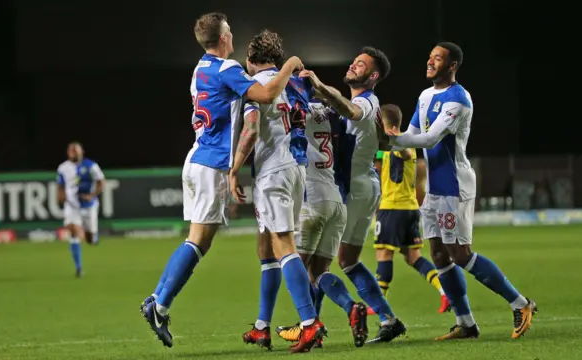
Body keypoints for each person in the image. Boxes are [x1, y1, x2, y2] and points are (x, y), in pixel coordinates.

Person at [139, 13, 304, 348]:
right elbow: (267, 94)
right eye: (230, 31)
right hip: (212, 164)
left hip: (198, 158)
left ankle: (159, 302)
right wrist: (290, 65)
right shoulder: (227, 69)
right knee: (198, 241)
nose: (233, 36)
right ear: (224, 37)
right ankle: (158, 303)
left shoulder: (200, 70)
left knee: (198, 240)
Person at [384, 42, 537, 340]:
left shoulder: (458, 99)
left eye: (438, 59)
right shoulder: (425, 96)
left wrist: (391, 140)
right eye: (429, 57)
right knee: (439, 255)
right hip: (434, 189)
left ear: (452, 65)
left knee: (460, 254)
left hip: (455, 185)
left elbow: (429, 139)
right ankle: (466, 323)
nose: (430, 62)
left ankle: (521, 303)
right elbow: (413, 135)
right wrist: (392, 138)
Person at [297, 47, 406, 344]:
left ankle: (313, 327)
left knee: (315, 266)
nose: (353, 66)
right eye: (354, 61)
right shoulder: (365, 103)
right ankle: (388, 318)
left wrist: (320, 87)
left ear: (372, 76)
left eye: (361, 65)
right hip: (366, 185)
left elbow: (352, 111)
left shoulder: (365, 102)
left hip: (353, 188)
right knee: (348, 260)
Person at [230, 30, 325, 353]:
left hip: (273, 171)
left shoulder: (256, 89)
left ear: (250, 60)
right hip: (296, 168)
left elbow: (252, 129)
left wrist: (234, 169)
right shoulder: (295, 83)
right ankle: (261, 327)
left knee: (284, 246)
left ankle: (310, 323)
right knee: (266, 249)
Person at [370, 105, 450, 315]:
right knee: (413, 257)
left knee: (383, 254)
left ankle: (379, 306)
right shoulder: (392, 145)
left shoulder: (401, 143)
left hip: (393, 208)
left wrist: (394, 140)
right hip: (410, 209)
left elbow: (404, 154)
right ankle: (444, 292)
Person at [56, 141, 105, 277]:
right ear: (68, 153)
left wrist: (92, 195)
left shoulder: (91, 166)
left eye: (76, 151)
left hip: (89, 206)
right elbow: (60, 185)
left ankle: (92, 237)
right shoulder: (63, 168)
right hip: (72, 206)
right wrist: (61, 197)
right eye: (71, 151)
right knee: (73, 232)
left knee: (90, 240)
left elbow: (101, 182)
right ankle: (79, 268)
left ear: (82, 152)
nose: (74, 153)